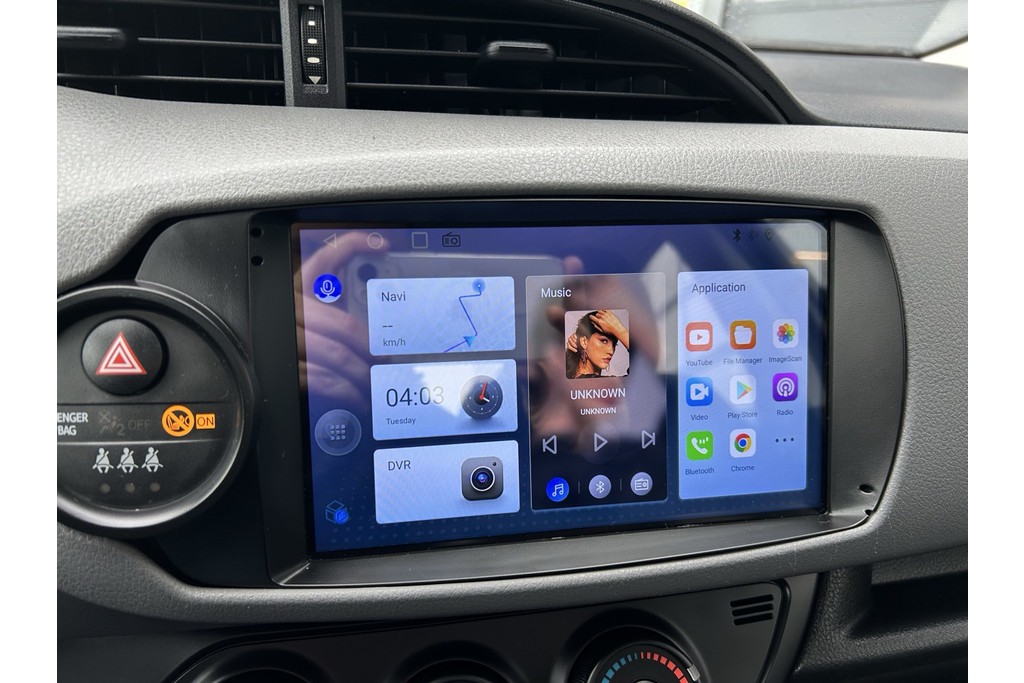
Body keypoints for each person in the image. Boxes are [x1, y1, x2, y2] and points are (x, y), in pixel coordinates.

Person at [565, 310, 630, 379]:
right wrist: (621, 332)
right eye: (604, 341)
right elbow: (636, 378)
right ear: (584, 342)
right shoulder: (596, 382)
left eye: (614, 344)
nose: (611, 351)